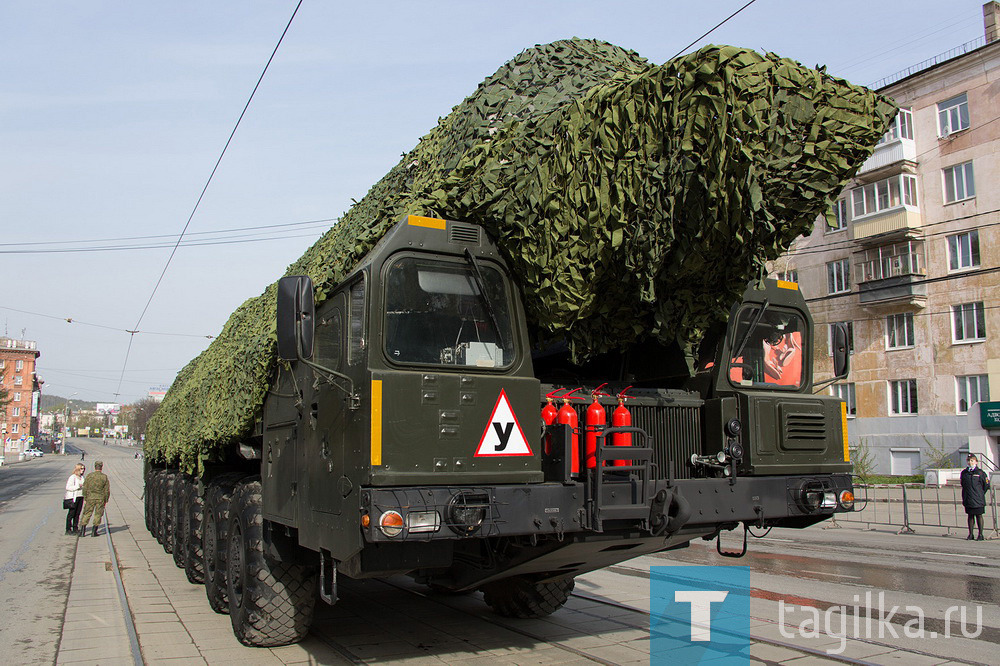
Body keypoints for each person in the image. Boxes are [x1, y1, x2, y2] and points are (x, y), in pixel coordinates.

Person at [960, 454, 990, 541]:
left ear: (976, 462)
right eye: (969, 461)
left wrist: (980, 493)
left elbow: (986, 485)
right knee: (970, 516)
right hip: (968, 498)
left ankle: (980, 534)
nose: (970, 462)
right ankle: (971, 534)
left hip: (978, 499)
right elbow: (963, 484)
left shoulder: (980, 473)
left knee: (979, 516)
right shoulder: (964, 473)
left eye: (972, 461)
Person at [79, 460, 111, 537]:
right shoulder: (104, 477)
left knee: (87, 513)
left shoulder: (90, 476)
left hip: (90, 497)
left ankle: (82, 531)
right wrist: (106, 500)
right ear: (101, 467)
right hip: (100, 498)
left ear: (95, 467)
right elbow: (107, 490)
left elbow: (85, 487)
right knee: (98, 514)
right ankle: (94, 532)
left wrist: (85, 498)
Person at [64, 463, 85, 534]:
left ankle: (75, 528)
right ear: (78, 469)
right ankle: (68, 529)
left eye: (84, 469)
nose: (83, 470)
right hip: (73, 498)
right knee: (71, 514)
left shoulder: (82, 477)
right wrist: (77, 486)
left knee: (77, 514)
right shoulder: (73, 477)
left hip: (81, 497)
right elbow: (68, 487)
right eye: (81, 468)